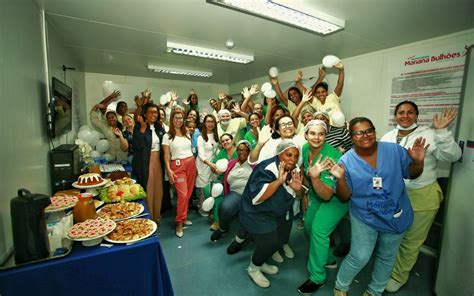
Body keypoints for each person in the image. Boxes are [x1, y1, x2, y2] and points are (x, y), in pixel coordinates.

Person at [332, 117, 428, 296]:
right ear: (352, 136)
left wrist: (418, 162)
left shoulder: (394, 151)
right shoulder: (346, 161)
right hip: (364, 216)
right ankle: (340, 286)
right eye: (359, 132)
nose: (365, 135)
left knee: (387, 256)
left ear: (374, 131)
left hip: (395, 214)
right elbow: (344, 196)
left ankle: (374, 291)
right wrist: (339, 178)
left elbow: (412, 174)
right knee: (359, 256)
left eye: (369, 130)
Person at [381, 101, 461, 293]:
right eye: (401, 112)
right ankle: (388, 268)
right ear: (395, 116)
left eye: (410, 112)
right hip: (394, 194)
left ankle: (399, 276)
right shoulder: (388, 136)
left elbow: (453, 156)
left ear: (417, 115)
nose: (405, 116)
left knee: (411, 239)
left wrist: (442, 132)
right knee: (392, 236)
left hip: (422, 195)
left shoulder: (430, 133)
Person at [240, 139, 303, 288]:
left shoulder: (293, 169)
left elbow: (298, 194)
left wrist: (297, 189)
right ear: (279, 153)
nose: (292, 159)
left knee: (278, 239)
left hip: (275, 211)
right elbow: (256, 198)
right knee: (269, 242)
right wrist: (279, 182)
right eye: (288, 155)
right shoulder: (267, 169)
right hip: (256, 213)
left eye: (295, 156)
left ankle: (260, 262)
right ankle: (253, 268)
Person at [296, 120, 348, 294]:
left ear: (326, 136)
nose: (316, 137)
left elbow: (327, 194)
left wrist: (315, 178)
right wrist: (305, 187)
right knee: (309, 226)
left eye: (321, 134)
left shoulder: (330, 157)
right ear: (306, 135)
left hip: (336, 199)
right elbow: (305, 169)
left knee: (318, 230)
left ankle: (317, 277)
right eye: (312, 133)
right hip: (316, 194)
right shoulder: (304, 148)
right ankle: (328, 259)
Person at [162, 109, 197, 238]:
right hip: (177, 165)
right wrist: (169, 170)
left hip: (191, 163)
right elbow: (166, 156)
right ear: (172, 120)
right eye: (176, 118)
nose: (178, 120)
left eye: (181, 118)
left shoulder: (187, 132)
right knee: (182, 195)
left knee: (188, 194)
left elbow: (191, 149)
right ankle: (179, 223)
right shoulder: (167, 136)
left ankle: (184, 215)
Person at [210, 140, 254, 242]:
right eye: (239, 150)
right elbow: (222, 174)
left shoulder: (253, 163)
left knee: (249, 214)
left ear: (249, 151)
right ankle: (223, 228)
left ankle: (239, 240)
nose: (241, 152)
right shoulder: (232, 164)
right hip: (235, 193)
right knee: (224, 207)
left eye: (244, 150)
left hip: (250, 194)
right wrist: (216, 169)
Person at [132, 103, 166, 223]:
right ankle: (149, 218)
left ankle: (156, 217)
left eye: (155, 112)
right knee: (148, 189)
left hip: (158, 162)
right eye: (150, 112)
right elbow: (136, 146)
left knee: (158, 189)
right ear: (145, 113)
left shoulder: (159, 127)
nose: (153, 114)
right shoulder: (138, 127)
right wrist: (142, 128)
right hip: (145, 162)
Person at [206, 133, 238, 231]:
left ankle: (218, 218)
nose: (225, 142)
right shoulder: (222, 153)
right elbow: (214, 166)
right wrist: (215, 170)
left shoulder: (239, 151)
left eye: (227, 140)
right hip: (223, 180)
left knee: (218, 195)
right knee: (207, 189)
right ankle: (217, 218)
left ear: (232, 140)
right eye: (223, 141)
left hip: (236, 181)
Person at [195, 114, 219, 215]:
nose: (210, 124)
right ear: (204, 123)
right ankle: (202, 209)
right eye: (208, 121)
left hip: (212, 166)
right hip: (203, 166)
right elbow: (201, 155)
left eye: (212, 122)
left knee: (211, 188)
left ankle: (210, 208)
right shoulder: (201, 138)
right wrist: (211, 164)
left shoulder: (216, 136)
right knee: (203, 189)